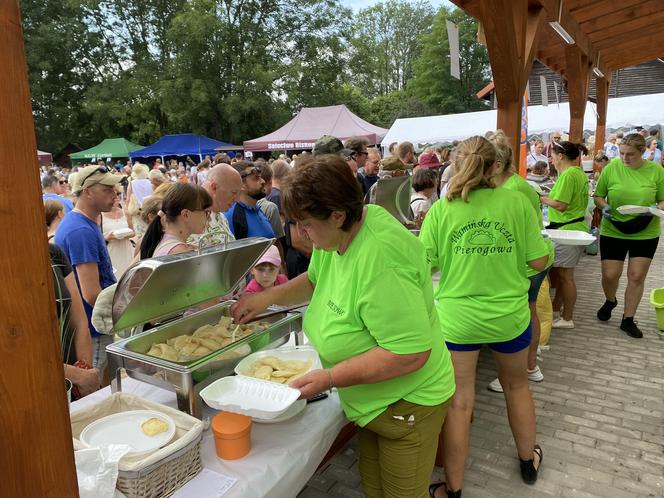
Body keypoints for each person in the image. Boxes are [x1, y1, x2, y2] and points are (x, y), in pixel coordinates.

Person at [231, 154, 456, 498]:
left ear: (337, 214)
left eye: (305, 224)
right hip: (372, 401)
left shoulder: (382, 259)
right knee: (375, 488)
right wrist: (265, 298)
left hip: (408, 401)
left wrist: (331, 377)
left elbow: (410, 353)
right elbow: (316, 279)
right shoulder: (337, 233)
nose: (299, 234)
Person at [420, 136, 549, 497]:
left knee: (460, 402)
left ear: (457, 164)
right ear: (497, 165)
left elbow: (423, 263)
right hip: (509, 316)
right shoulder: (516, 202)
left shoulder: (442, 209)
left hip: (458, 319)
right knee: (517, 386)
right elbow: (538, 260)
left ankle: (454, 488)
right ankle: (528, 460)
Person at [485, 130, 555, 392]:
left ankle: (521, 370)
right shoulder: (506, 184)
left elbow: (521, 230)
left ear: (498, 164)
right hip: (526, 256)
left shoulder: (515, 188)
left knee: (524, 313)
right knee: (528, 310)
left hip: (529, 259)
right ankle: (529, 367)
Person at [53, 165, 125, 374]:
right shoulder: (80, 230)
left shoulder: (81, 223)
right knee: (95, 388)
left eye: (115, 189)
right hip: (95, 330)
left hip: (94, 327)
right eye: (107, 190)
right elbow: (92, 294)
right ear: (88, 191)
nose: (114, 194)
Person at [593, 133, 664, 338]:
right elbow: (598, 196)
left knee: (636, 276)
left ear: (643, 152)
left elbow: (663, 200)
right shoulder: (612, 167)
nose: (624, 158)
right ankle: (610, 300)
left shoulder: (656, 171)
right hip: (614, 229)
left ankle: (628, 319)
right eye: (622, 153)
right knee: (610, 274)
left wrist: (654, 208)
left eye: (630, 154)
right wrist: (604, 206)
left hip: (646, 231)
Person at [540, 141, 590, 329]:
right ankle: (557, 309)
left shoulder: (569, 175)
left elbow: (561, 205)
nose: (551, 159)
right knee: (562, 275)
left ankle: (567, 317)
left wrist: (540, 198)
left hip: (568, 230)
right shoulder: (577, 172)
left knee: (566, 277)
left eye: (552, 154)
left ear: (560, 156)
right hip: (572, 228)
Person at [140, 183, 212, 259]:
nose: (209, 218)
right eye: (206, 212)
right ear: (185, 215)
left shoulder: (160, 239)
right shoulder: (181, 252)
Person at [189, 164, 242, 247]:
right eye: (234, 193)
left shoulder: (220, 215)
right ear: (214, 187)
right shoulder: (190, 216)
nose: (237, 199)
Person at [224, 162, 275, 240]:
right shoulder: (232, 216)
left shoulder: (257, 209)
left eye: (260, 177)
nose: (263, 181)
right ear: (241, 184)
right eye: (256, 178)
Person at [101, 198, 135, 278]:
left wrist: (125, 235)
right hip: (111, 249)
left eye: (116, 198)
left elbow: (133, 232)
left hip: (126, 248)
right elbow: (98, 237)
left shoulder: (126, 213)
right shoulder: (100, 215)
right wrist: (108, 237)